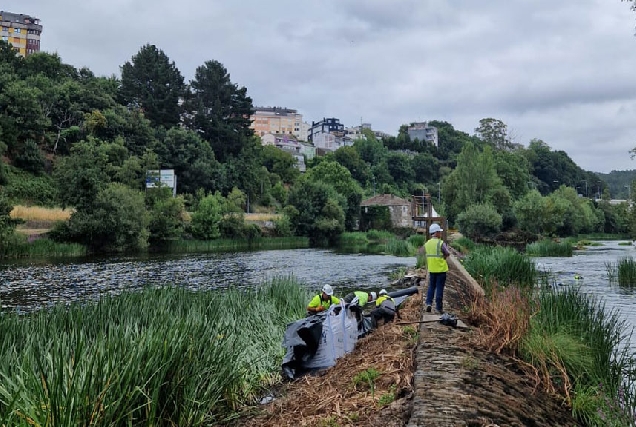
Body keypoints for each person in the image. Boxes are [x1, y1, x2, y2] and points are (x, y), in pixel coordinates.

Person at [425, 223, 450, 314]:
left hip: (432, 269)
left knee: (431, 287)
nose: (440, 233)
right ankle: (439, 308)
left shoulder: (427, 243)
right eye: (439, 232)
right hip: (441, 269)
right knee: (439, 288)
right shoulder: (440, 243)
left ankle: (428, 303)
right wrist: (444, 256)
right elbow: (447, 253)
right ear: (436, 233)